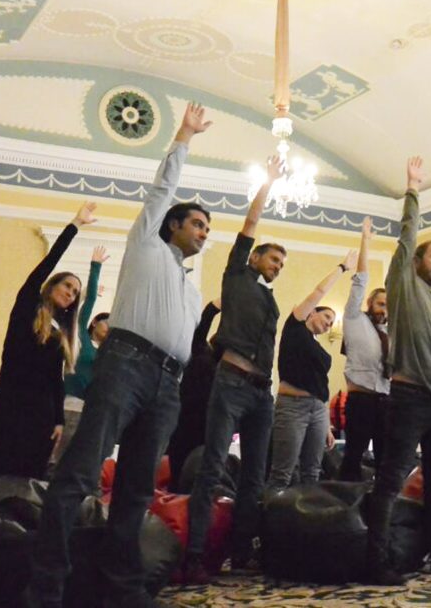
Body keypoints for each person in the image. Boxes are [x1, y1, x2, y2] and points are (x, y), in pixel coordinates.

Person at [27, 103, 213, 608]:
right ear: (171, 225)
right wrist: (184, 136)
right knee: (80, 473)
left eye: (207, 228)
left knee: (136, 490)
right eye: (197, 224)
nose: (203, 232)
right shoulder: (147, 244)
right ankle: (45, 589)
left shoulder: (190, 289)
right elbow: (162, 188)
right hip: (127, 365)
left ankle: (123, 591)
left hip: (168, 385)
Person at [364, 157, 431, 586]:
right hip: (409, 400)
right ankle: (377, 561)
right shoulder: (403, 285)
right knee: (391, 480)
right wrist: (412, 190)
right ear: (416, 262)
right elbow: (407, 237)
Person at [181, 156, 286, 583]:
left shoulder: (268, 299)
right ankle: (194, 556)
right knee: (212, 468)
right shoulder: (237, 275)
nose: (276, 267)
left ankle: (242, 554)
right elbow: (250, 222)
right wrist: (270, 182)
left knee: (255, 476)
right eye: (272, 259)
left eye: (281, 265)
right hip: (231, 383)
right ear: (255, 257)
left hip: (262, 393)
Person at [0, 202, 94, 482]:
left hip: (42, 414)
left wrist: (59, 420)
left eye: (75, 292)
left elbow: (56, 379)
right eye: (67, 285)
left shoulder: (61, 333)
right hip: (10, 401)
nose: (70, 293)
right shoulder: (27, 307)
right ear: (52, 285)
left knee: (27, 480)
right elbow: (46, 265)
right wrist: (75, 225)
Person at [265, 247, 357, 490]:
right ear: (312, 313)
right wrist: (342, 268)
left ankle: (307, 513)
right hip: (292, 407)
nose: (329, 324)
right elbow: (319, 291)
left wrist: (326, 424)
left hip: (317, 409)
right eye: (326, 317)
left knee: (312, 472)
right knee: (282, 472)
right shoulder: (295, 327)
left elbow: (321, 386)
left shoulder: (319, 348)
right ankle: (271, 513)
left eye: (331, 322)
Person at [338, 216, 391, 482]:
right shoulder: (354, 318)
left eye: (387, 305)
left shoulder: (391, 333)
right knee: (353, 458)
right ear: (370, 303)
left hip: (387, 402)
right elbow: (360, 280)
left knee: (385, 461)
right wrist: (365, 241)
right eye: (380, 303)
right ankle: (345, 499)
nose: (384, 309)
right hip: (361, 401)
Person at [53, 245, 109, 464]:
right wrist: (96, 267)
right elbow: (89, 300)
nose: (110, 328)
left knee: (82, 462)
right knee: (59, 460)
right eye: (107, 323)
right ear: (94, 322)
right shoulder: (80, 336)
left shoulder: (105, 351)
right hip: (71, 406)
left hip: (91, 410)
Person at [165, 298, 221, 492]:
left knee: (194, 472)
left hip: (202, 421)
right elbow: (202, 327)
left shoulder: (222, 367)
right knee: (180, 469)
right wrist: (214, 307)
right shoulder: (199, 350)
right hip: (187, 418)